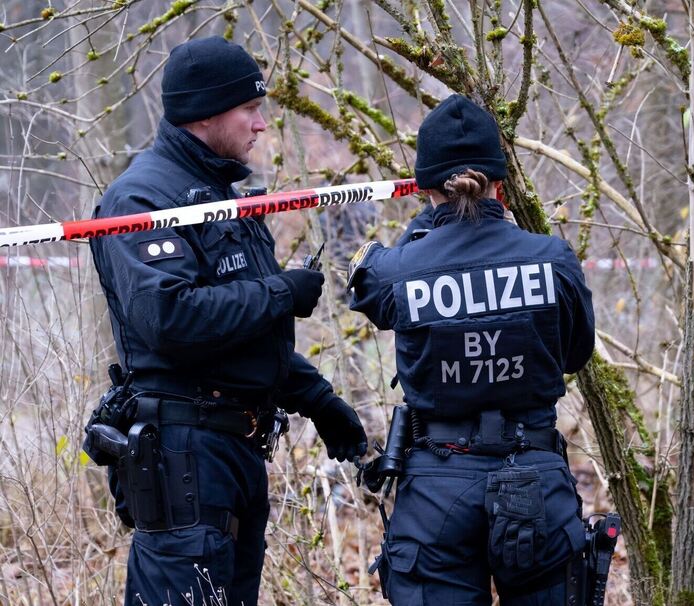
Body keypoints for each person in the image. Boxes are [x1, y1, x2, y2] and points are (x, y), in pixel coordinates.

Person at [88, 36, 367, 606]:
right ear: (207, 113)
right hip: (184, 462)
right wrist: (279, 290)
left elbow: (244, 339)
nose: (262, 125)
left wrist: (318, 400)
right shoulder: (141, 198)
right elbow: (169, 319)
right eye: (251, 109)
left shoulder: (222, 195)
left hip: (237, 452)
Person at [347, 94, 595, 605]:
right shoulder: (553, 259)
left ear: (425, 189)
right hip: (536, 475)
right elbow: (575, 355)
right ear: (501, 185)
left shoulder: (401, 268)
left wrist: (429, 230)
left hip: (438, 484)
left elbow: (366, 284)